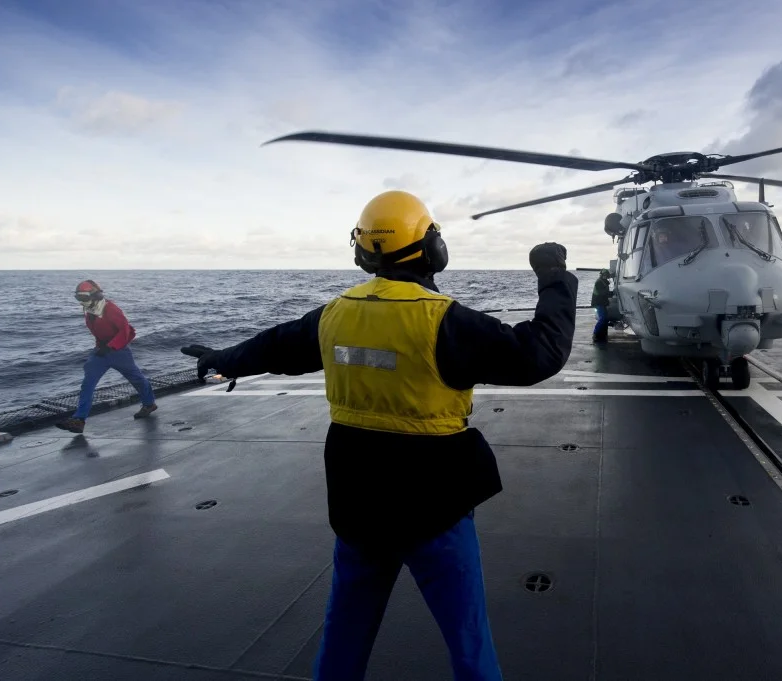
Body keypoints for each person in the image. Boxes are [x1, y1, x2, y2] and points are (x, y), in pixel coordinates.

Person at [180, 190, 578, 681]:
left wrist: (220, 358)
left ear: (363, 253)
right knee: (469, 644)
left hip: (358, 506)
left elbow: (272, 347)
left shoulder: (334, 315)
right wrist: (553, 278)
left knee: (344, 636)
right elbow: (540, 354)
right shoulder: (445, 320)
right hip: (435, 507)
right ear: (432, 249)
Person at [56, 280, 158, 434]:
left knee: (136, 378)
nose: (81, 301)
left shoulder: (111, 309)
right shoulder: (89, 311)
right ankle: (79, 420)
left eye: (83, 298)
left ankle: (149, 404)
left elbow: (125, 330)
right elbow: (98, 332)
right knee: (87, 384)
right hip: (100, 352)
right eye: (79, 298)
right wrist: (101, 347)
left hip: (119, 352)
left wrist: (111, 346)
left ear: (95, 295)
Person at [591, 268, 614, 342]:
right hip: (598, 303)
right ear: (602, 275)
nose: (606, 276)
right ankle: (595, 334)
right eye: (604, 275)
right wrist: (612, 293)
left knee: (605, 318)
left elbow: (605, 293)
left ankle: (602, 335)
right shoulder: (599, 282)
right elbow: (602, 293)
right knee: (602, 318)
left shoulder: (603, 282)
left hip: (602, 303)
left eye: (607, 275)